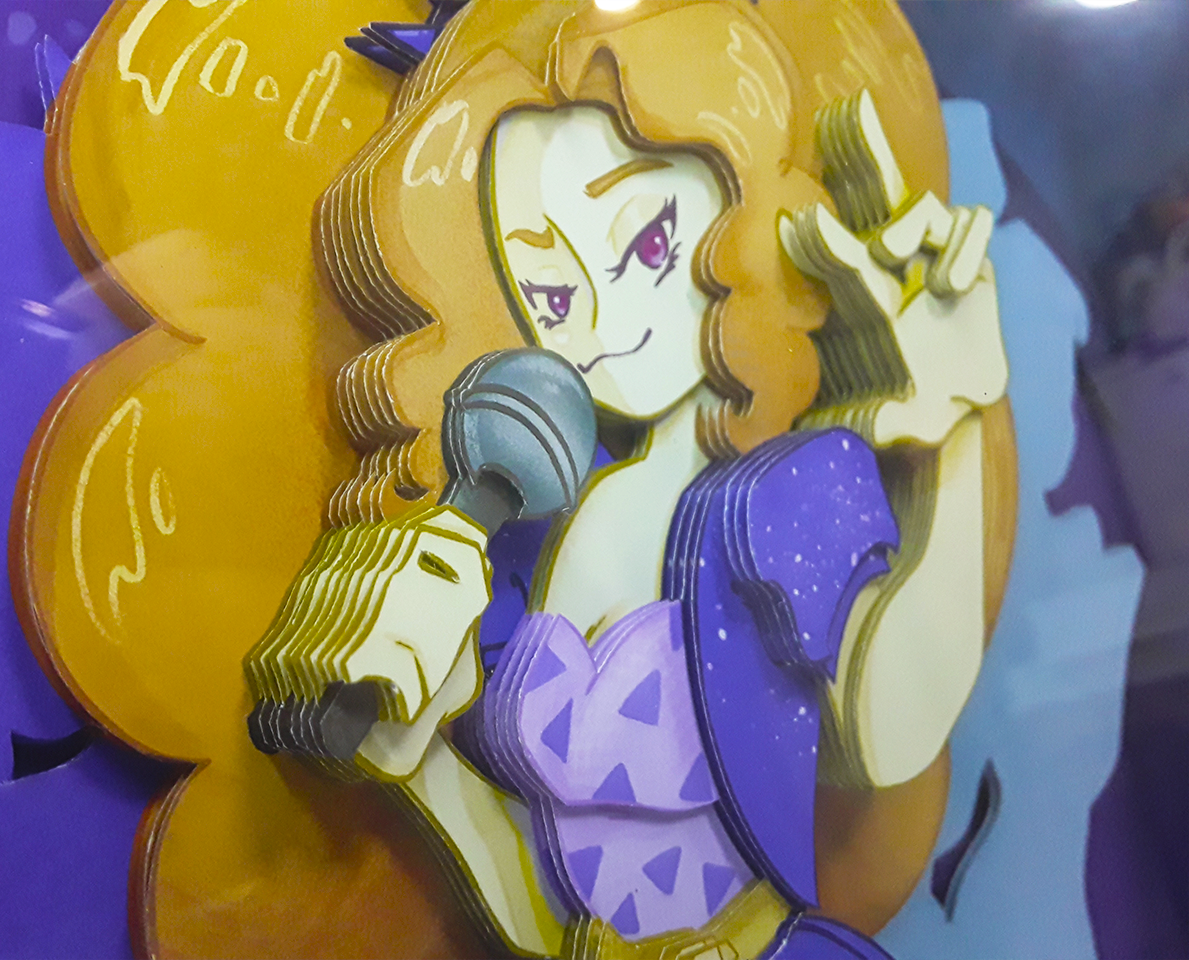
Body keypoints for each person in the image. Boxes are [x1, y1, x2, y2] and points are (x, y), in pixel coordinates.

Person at [261, 2, 1011, 956]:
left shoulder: (782, 496)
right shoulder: (520, 556)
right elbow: (551, 919)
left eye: (648, 243)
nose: (603, 329)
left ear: (742, 208)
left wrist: (956, 427)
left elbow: (893, 724)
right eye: (552, 293)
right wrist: (416, 767)